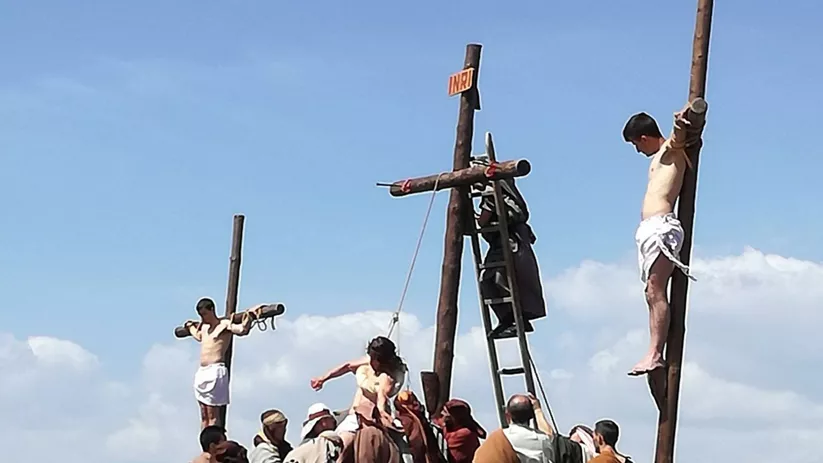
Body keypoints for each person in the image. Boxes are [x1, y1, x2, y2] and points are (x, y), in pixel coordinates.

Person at [621, 111, 696, 397]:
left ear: (643, 138)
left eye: (636, 144)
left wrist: (682, 120)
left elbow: (679, 135)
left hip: (662, 226)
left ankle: (655, 352)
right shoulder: (659, 158)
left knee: (655, 289)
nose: (637, 151)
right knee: (651, 292)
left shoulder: (669, 149)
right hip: (651, 228)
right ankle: (653, 351)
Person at [470, 157, 547, 339]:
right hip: (511, 241)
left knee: (495, 279)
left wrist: (472, 220)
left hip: (508, 242)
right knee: (502, 280)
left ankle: (513, 319)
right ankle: (510, 319)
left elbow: (484, 220)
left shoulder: (493, 192)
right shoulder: (505, 194)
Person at [310, 336, 407, 455]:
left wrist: (383, 414)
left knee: (342, 445)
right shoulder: (371, 362)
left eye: (374, 359)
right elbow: (347, 366)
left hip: (367, 416)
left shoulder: (388, 377)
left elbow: (381, 398)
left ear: (383, 360)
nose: (371, 361)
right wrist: (323, 378)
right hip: (354, 412)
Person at [185, 297, 265, 429]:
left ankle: (214, 441)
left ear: (212, 310)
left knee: (212, 414)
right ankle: (205, 443)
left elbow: (242, 330)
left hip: (215, 370)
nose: (203, 318)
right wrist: (190, 326)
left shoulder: (224, 325)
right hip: (202, 371)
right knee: (204, 414)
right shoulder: (204, 328)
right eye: (201, 315)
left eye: (205, 314)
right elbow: (198, 335)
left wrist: (249, 316)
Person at [500, 394, 555, 463]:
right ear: (532, 415)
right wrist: (537, 409)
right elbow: (551, 437)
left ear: (507, 415)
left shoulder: (500, 438)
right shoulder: (542, 439)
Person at [433, 399, 486, 463]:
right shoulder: (449, 426)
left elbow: (446, 440)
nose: (442, 413)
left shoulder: (465, 434)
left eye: (445, 412)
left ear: (455, 417)